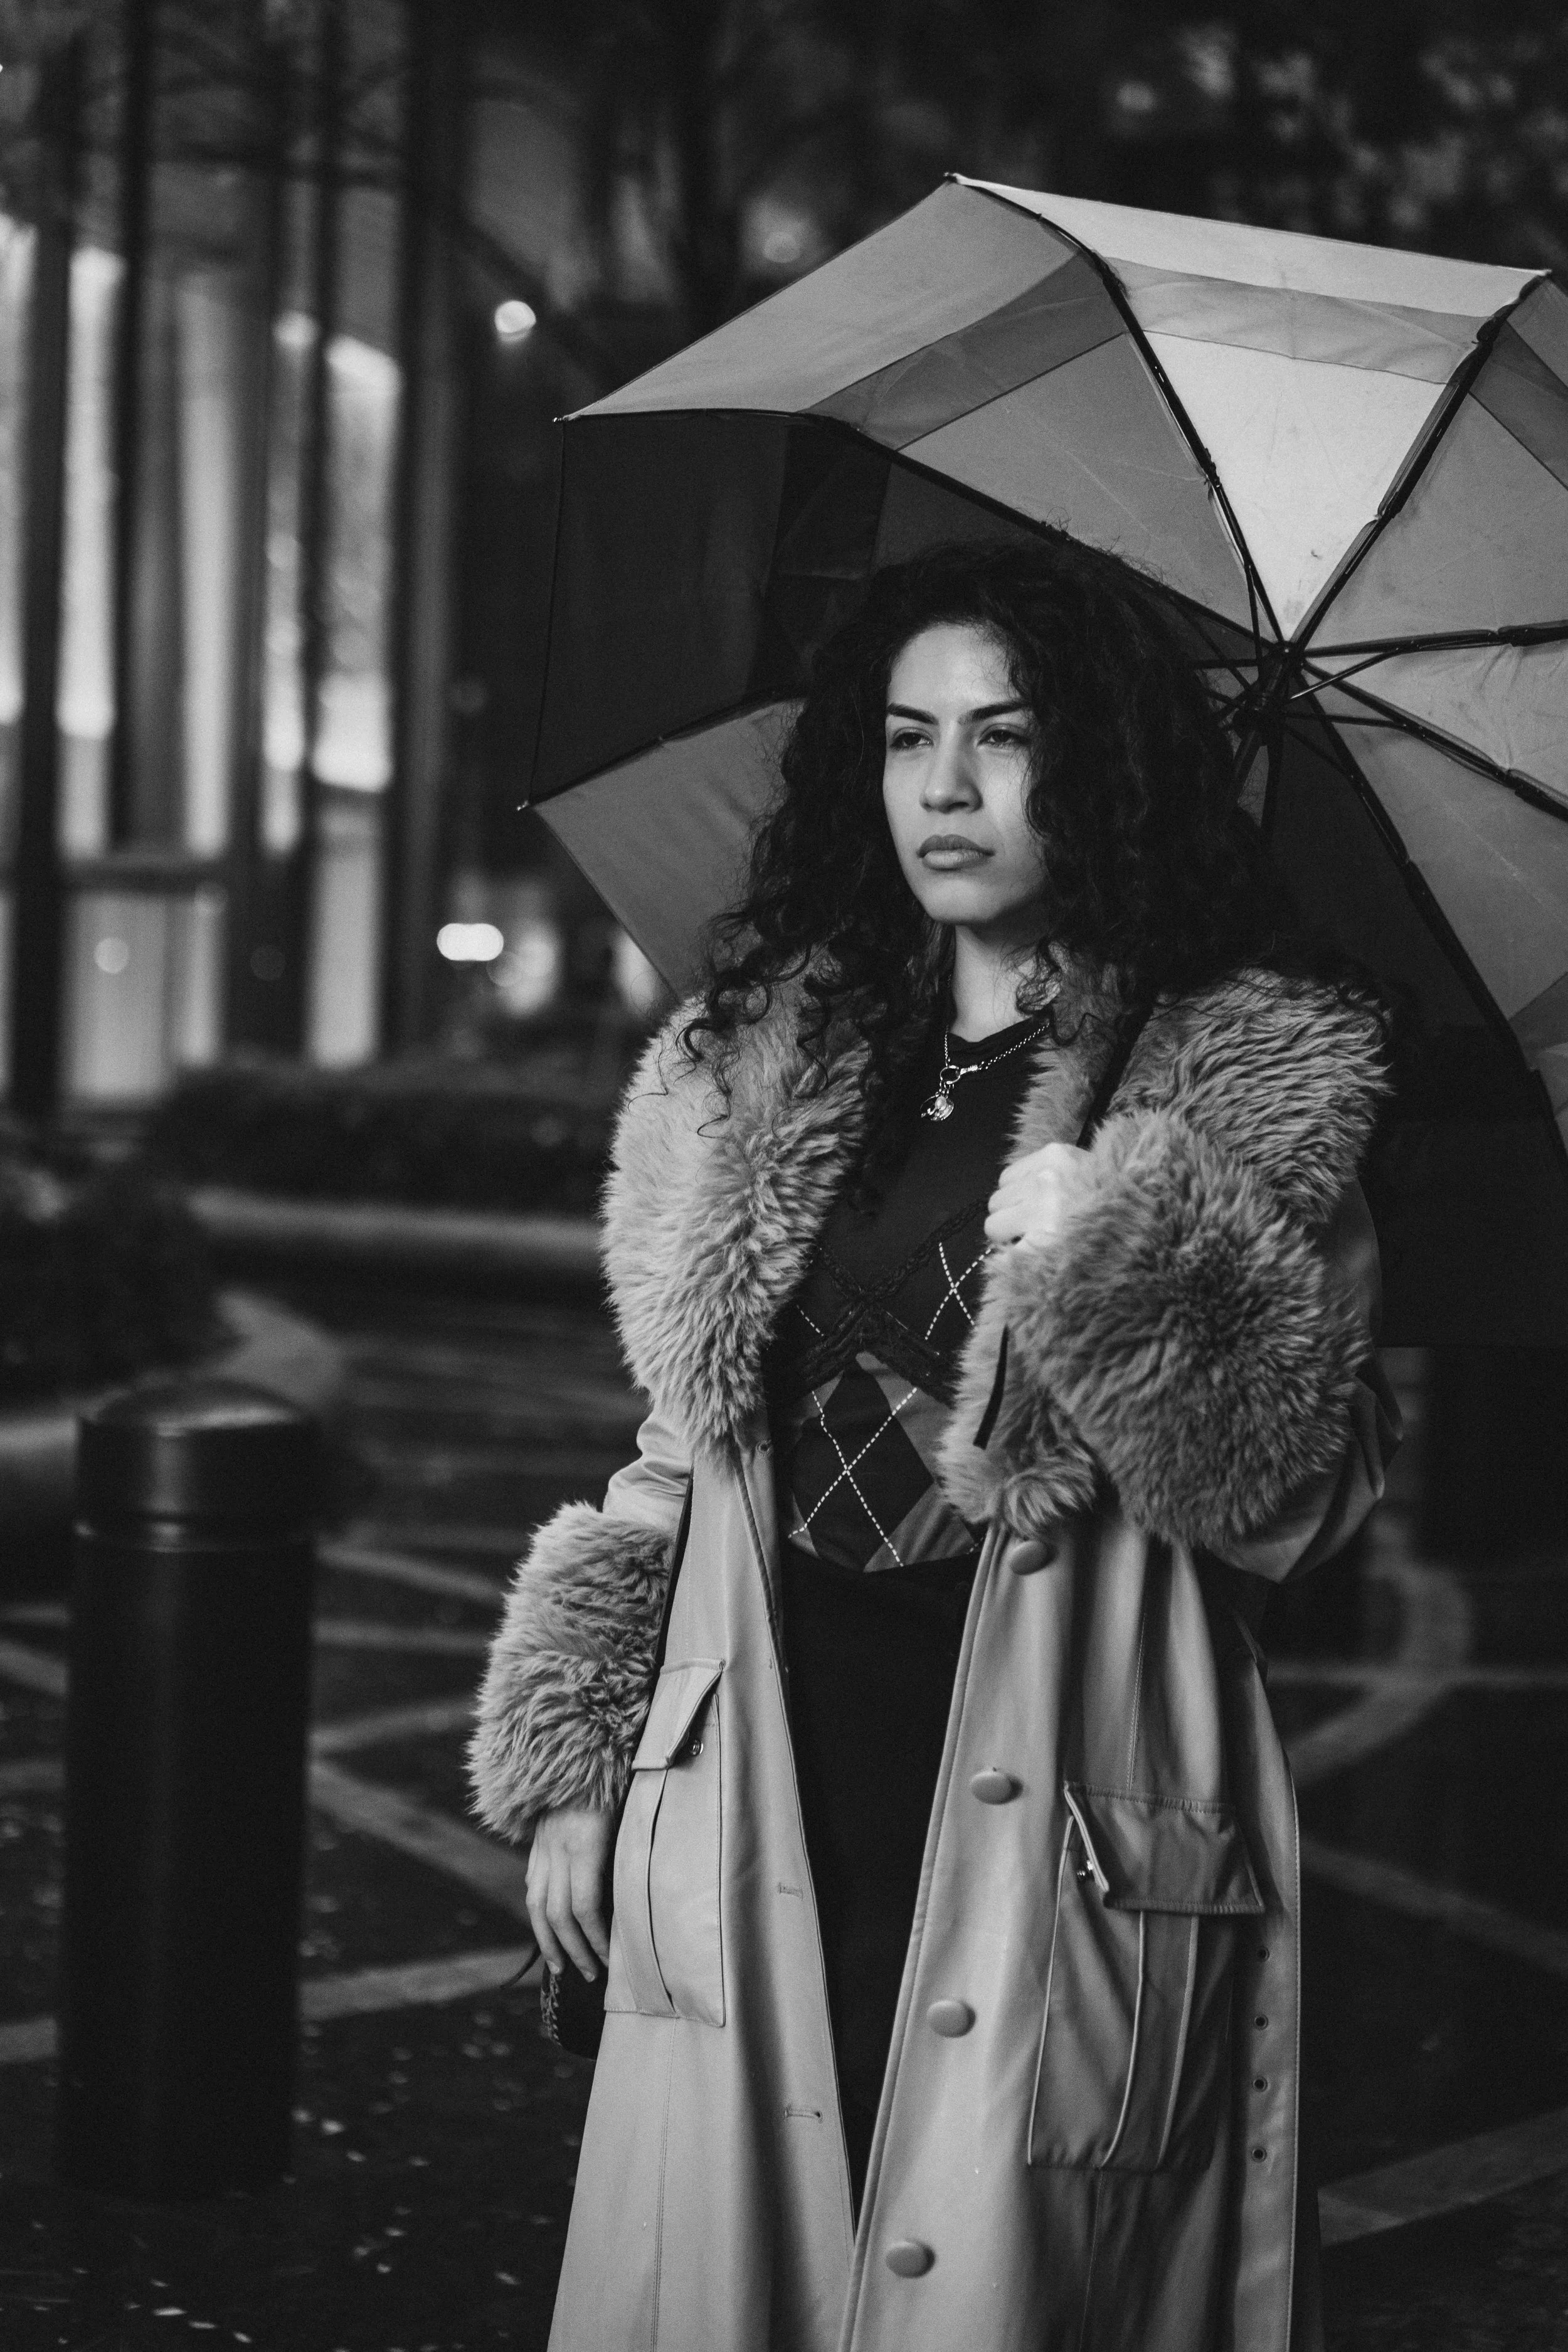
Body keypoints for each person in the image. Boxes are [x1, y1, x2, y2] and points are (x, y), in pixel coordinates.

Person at [469, 538, 1399, 2352]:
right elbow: (680, 1448)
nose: (948, 786)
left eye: (1005, 734)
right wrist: (580, 1749)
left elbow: (1303, 1508)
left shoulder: (1243, 1077)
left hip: (1061, 1796)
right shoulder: (757, 1056)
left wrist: (1134, 1262)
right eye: (908, 738)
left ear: (1103, 765)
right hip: (757, 1767)